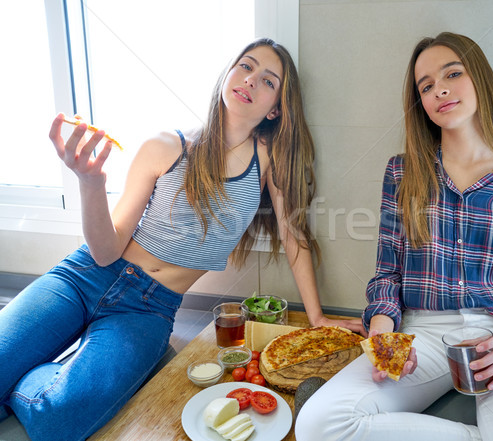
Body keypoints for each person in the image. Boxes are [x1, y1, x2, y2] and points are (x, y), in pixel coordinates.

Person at [0, 38, 364, 441]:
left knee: (57, 422)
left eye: (268, 80)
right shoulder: (165, 146)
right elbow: (105, 252)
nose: (250, 80)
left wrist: (317, 317)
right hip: (83, 277)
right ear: (228, 75)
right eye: (245, 66)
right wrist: (90, 182)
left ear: (275, 108)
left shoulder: (269, 159)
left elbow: (294, 237)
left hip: (148, 312)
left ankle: (31, 376)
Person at [295, 32, 493, 441]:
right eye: (426, 86)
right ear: (421, 104)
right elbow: (387, 274)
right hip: (420, 331)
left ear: (479, 79)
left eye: (453, 74)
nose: (439, 89)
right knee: (317, 425)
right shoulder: (401, 172)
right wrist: (384, 335)